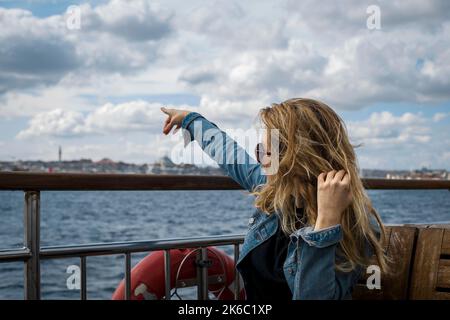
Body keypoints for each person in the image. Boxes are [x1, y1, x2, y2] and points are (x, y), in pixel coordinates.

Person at [160, 98, 388, 300]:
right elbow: (230, 154)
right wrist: (190, 120)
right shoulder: (277, 192)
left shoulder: (353, 227)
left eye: (267, 152)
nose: (261, 160)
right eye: (261, 150)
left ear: (297, 158)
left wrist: (326, 223)